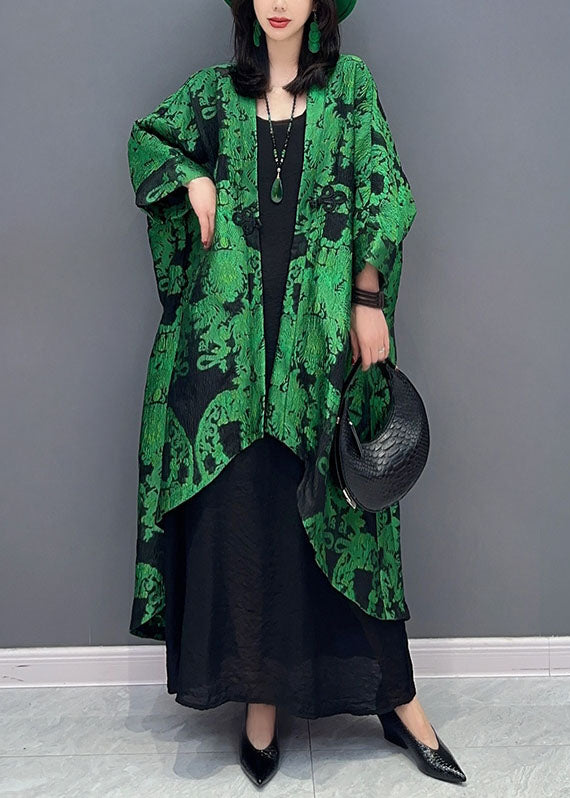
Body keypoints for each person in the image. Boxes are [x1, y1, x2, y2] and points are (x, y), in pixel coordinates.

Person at [127, 0, 467, 789]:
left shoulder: (350, 88)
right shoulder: (213, 95)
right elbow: (147, 141)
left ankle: (401, 703)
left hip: (321, 351)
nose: (279, 1)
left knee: (346, 521)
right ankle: (261, 701)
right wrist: (191, 177)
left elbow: (385, 191)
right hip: (231, 362)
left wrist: (369, 297)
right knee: (250, 522)